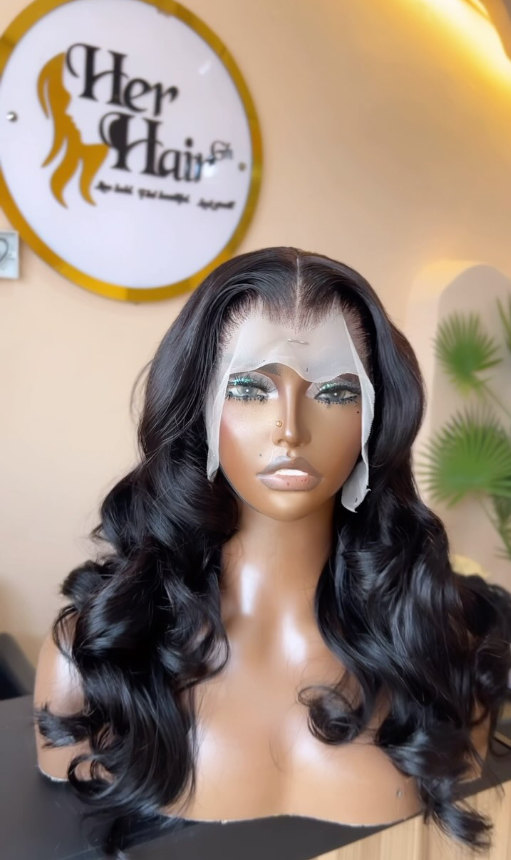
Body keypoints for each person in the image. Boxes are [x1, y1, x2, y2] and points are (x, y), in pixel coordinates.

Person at [34, 247, 511, 856]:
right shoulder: (90, 661)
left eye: (335, 392)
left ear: (374, 417)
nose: (291, 429)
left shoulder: (446, 645)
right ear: (198, 406)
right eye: (249, 387)